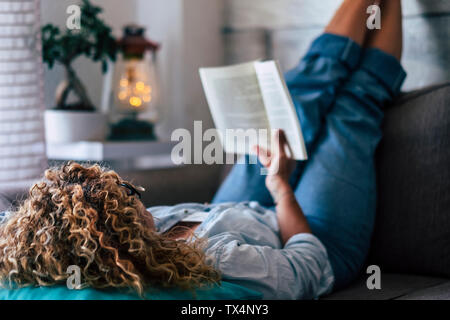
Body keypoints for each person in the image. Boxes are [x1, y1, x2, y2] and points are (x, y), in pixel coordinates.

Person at [0, 0, 406, 299]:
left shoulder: (140, 230)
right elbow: (307, 266)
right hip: (314, 236)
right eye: (128, 196)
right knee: (353, 105)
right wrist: (280, 185)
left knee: (295, 100)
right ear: (121, 232)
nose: (138, 195)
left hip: (231, 211)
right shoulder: (217, 262)